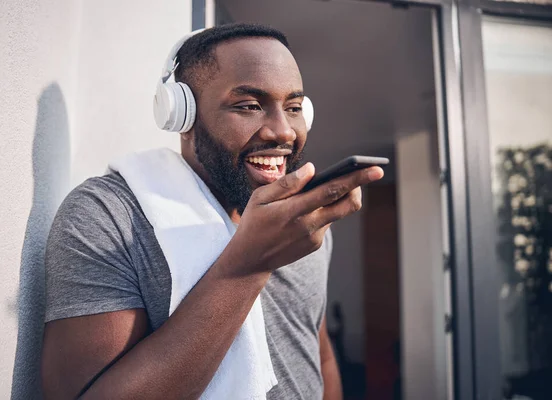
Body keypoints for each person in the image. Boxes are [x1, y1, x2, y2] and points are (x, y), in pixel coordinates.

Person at [40, 23, 383, 399]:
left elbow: (317, 354)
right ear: (181, 114)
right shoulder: (108, 219)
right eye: (249, 106)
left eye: (294, 107)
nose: (283, 132)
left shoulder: (307, 220)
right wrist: (247, 266)